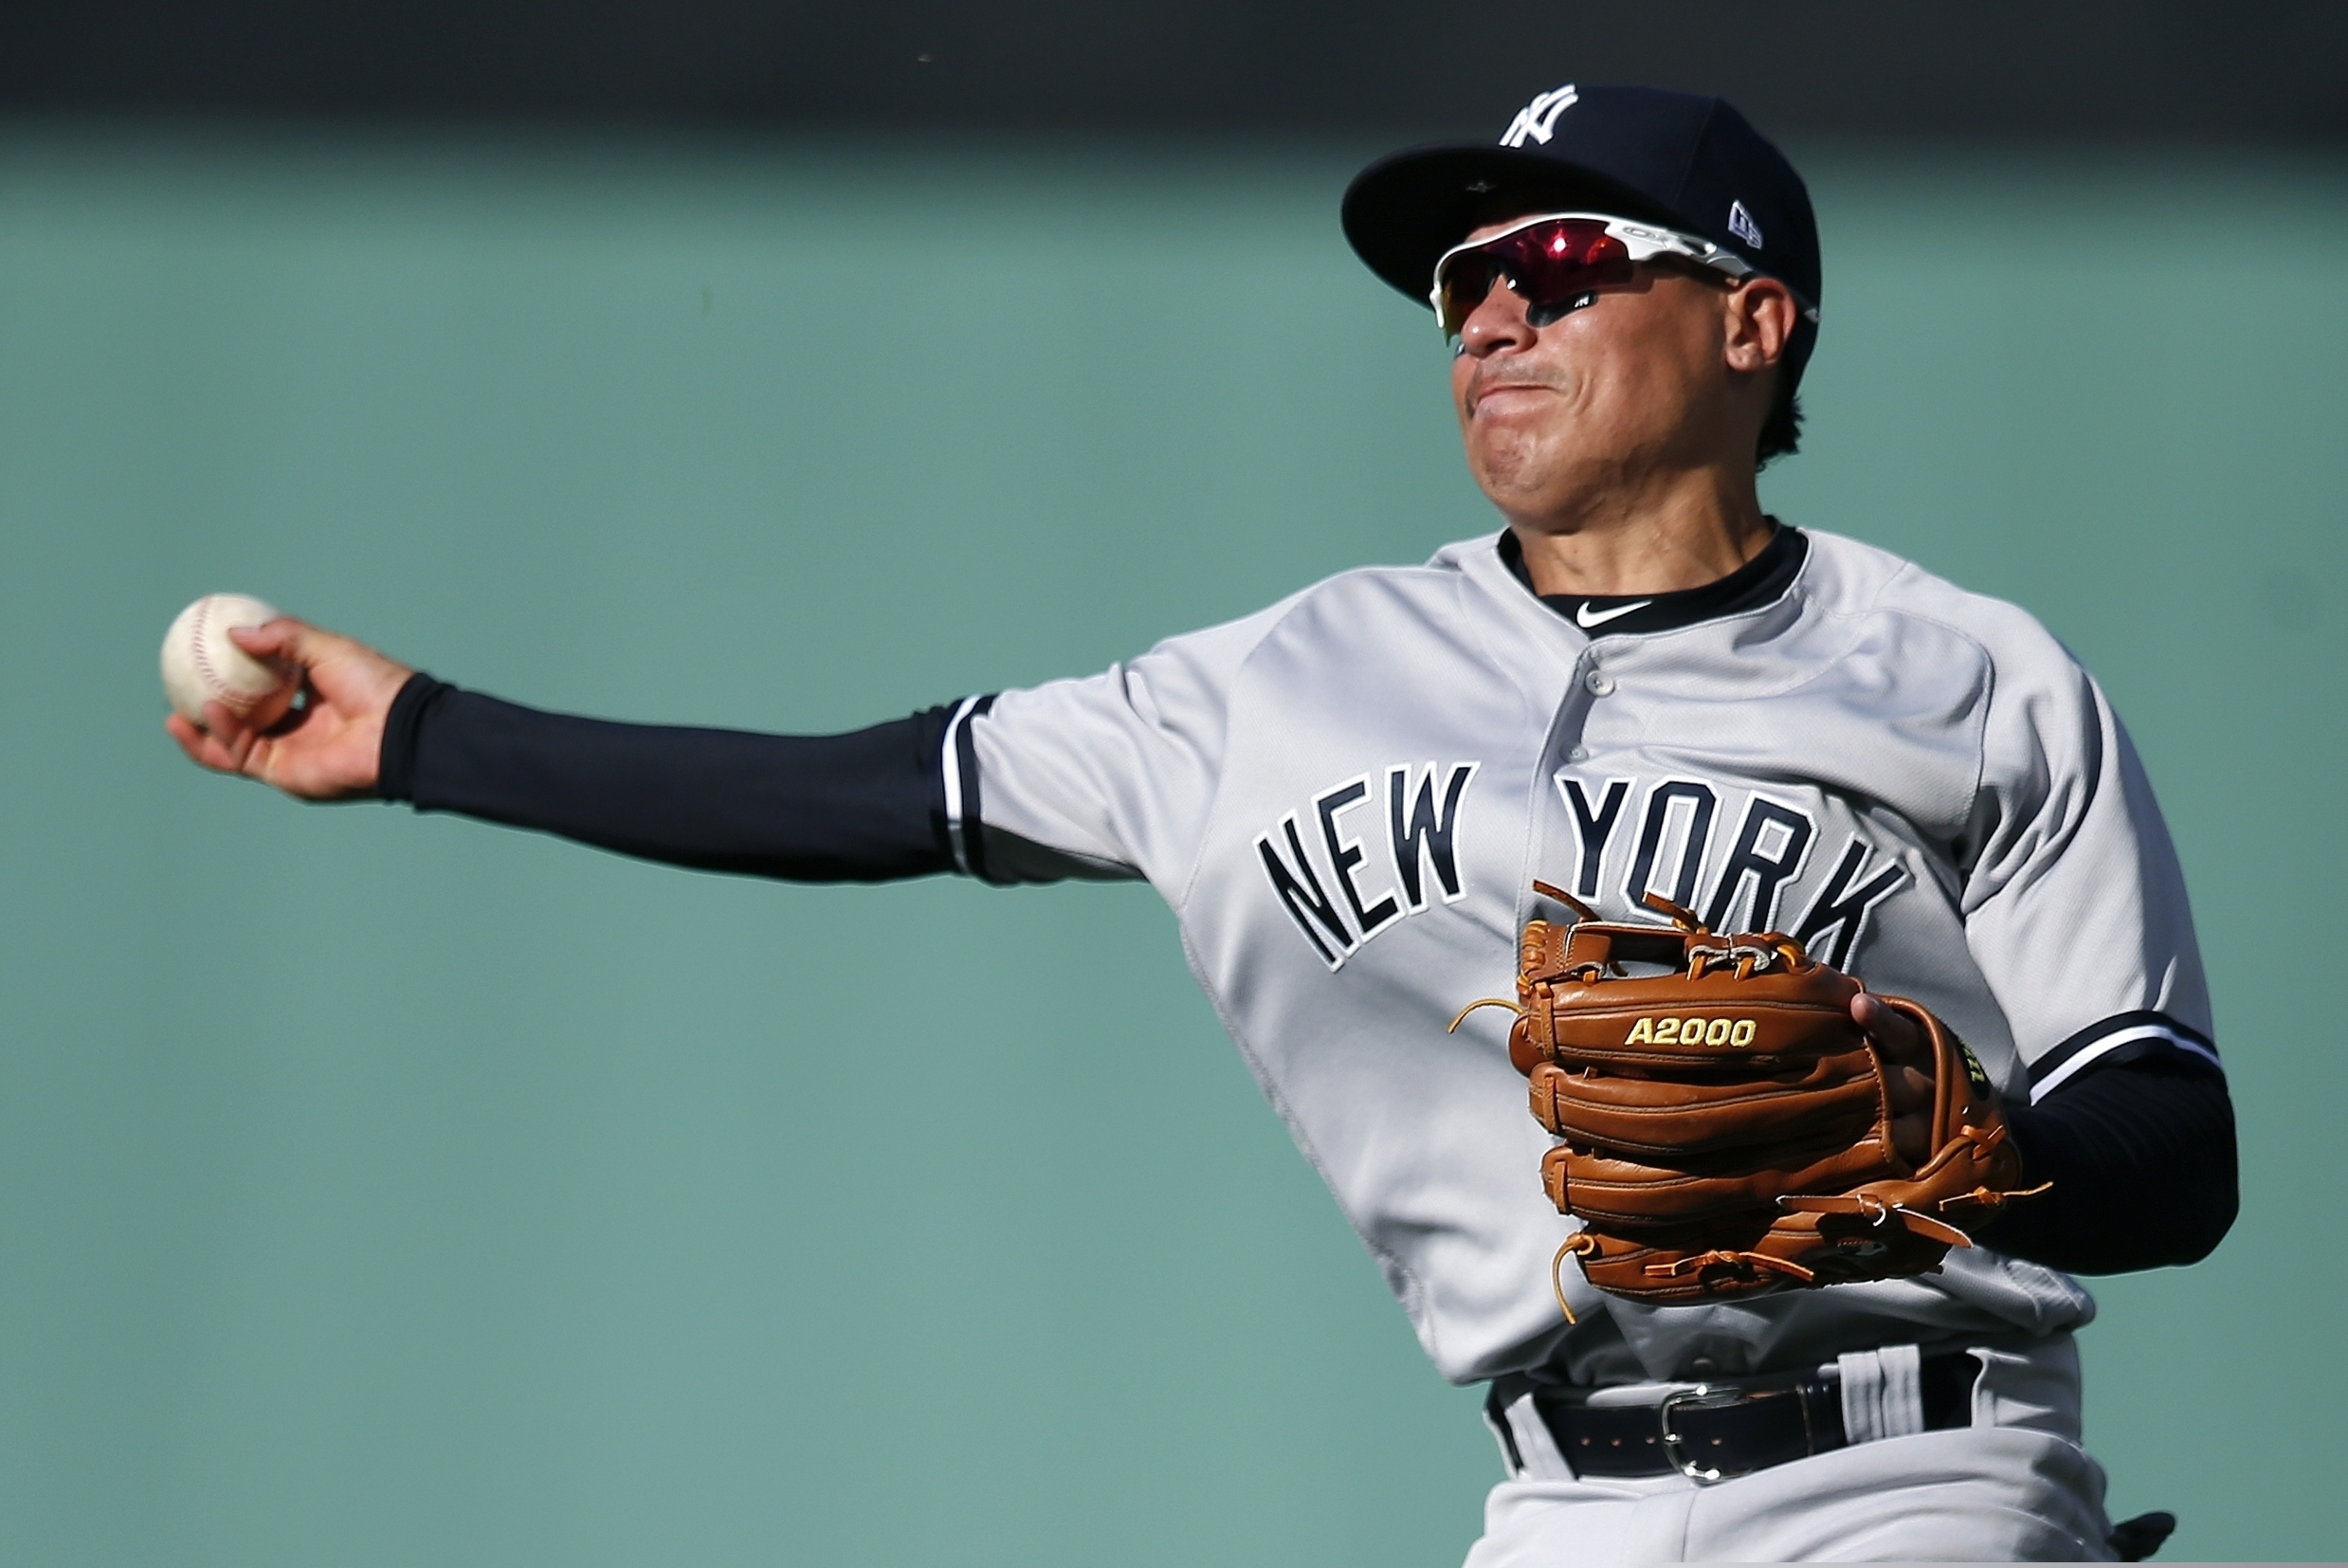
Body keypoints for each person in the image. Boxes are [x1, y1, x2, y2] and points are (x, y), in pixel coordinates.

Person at [168, 83, 2235, 1563]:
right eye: (1458, 285)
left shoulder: (1964, 675)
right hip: (1560, 1495)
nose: (1487, 314)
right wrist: (426, 732)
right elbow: (871, 788)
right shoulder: (1273, 683)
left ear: (1750, 320)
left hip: (1923, 1476)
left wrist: (1929, 1145)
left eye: (1558, 260)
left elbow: (2170, 1144)